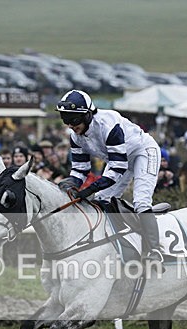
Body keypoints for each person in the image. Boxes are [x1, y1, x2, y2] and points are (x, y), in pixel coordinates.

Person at [54, 89, 164, 266]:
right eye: (65, 120)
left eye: (73, 120)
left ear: (88, 115)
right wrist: (68, 184)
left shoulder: (108, 124)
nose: (70, 125)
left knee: (142, 201)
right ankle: (118, 242)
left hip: (143, 152)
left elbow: (118, 167)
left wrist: (90, 189)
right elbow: (80, 170)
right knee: (101, 199)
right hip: (118, 159)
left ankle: (155, 250)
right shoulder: (76, 137)